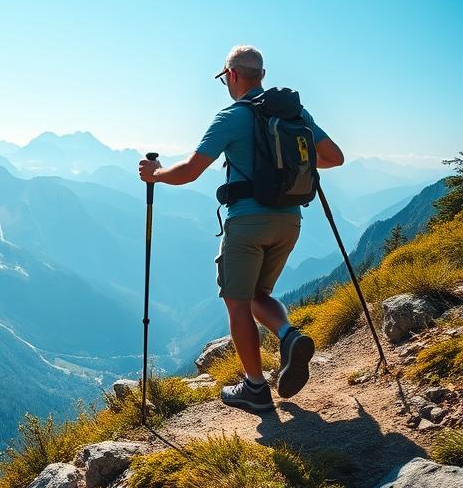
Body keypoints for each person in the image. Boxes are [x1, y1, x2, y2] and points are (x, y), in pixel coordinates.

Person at [138, 45, 344, 413]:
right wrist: (294, 164)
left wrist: (155, 175)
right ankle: (289, 335)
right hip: (290, 219)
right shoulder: (293, 113)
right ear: (261, 75)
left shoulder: (230, 117)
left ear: (231, 75)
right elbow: (334, 158)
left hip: (247, 222)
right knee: (258, 295)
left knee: (237, 302)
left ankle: (255, 388)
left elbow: (189, 171)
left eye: (223, 78)